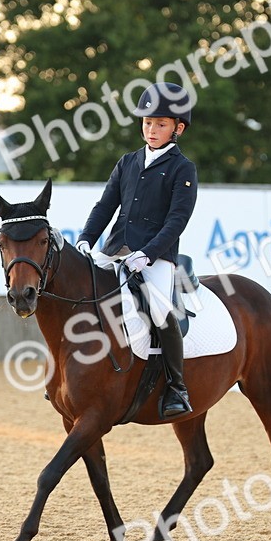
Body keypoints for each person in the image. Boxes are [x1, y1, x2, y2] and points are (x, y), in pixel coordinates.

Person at [77, 81, 198, 419]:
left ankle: (177, 387)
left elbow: (177, 220)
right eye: (147, 122)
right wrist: (87, 237)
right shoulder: (128, 161)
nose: (152, 129)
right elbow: (105, 206)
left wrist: (148, 252)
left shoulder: (182, 168)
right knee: (80, 290)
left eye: (160, 124)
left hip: (155, 256)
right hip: (115, 249)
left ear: (178, 128)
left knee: (161, 312)